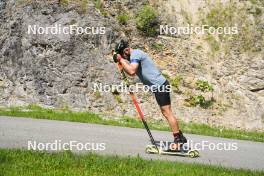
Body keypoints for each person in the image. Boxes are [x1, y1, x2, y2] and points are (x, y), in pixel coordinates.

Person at [113, 40, 187, 146]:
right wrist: (121, 61)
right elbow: (131, 73)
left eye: (124, 56)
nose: (125, 58)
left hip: (160, 86)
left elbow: (132, 71)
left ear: (127, 50)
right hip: (159, 86)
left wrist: (120, 60)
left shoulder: (136, 54)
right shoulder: (134, 55)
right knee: (166, 112)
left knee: (167, 112)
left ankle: (178, 140)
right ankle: (180, 136)